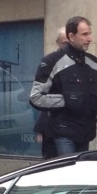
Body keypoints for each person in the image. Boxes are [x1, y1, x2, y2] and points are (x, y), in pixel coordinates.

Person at [30, 16, 97, 157]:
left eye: (90, 33)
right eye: (84, 34)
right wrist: (67, 100)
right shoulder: (51, 61)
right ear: (71, 36)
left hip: (86, 131)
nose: (89, 39)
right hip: (62, 131)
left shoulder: (94, 63)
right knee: (68, 172)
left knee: (81, 174)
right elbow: (36, 97)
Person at [34, 27, 67, 159]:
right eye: (64, 43)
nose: (67, 46)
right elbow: (39, 96)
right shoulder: (49, 62)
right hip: (51, 123)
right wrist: (40, 129)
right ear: (58, 43)